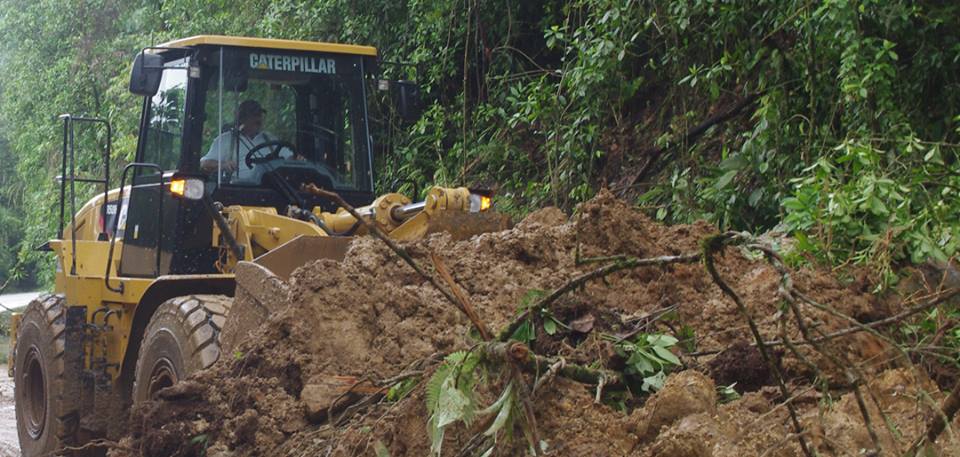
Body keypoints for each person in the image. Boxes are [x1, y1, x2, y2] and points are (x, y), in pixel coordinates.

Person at [200, 100, 294, 181]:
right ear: (242, 118)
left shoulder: (270, 138)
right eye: (254, 115)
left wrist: (296, 159)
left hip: (272, 187)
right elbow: (204, 164)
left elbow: (289, 158)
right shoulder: (225, 140)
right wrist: (224, 165)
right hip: (239, 189)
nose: (258, 119)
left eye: (259, 115)